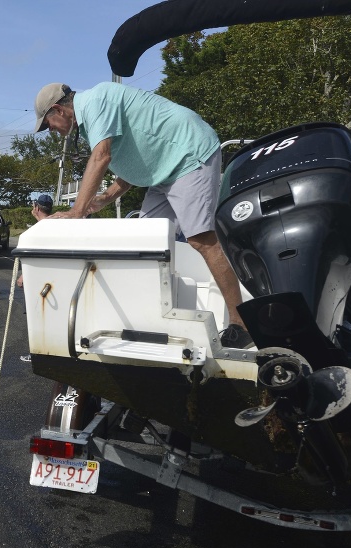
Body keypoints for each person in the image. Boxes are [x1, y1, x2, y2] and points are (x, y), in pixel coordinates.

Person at [33, 81, 252, 348]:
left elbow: (101, 157)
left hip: (188, 153)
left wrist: (76, 213)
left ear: (58, 109)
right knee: (146, 243)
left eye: (48, 124)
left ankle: (241, 324)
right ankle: (153, 320)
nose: (52, 131)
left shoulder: (96, 100)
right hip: (162, 171)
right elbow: (132, 162)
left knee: (201, 240)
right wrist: (104, 199)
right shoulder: (91, 122)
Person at [16, 194, 53, 289]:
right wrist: (36, 216)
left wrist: (24, 276)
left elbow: (36, 256)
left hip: (38, 277)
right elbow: (43, 223)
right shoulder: (53, 226)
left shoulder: (35, 233)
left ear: (37, 208)